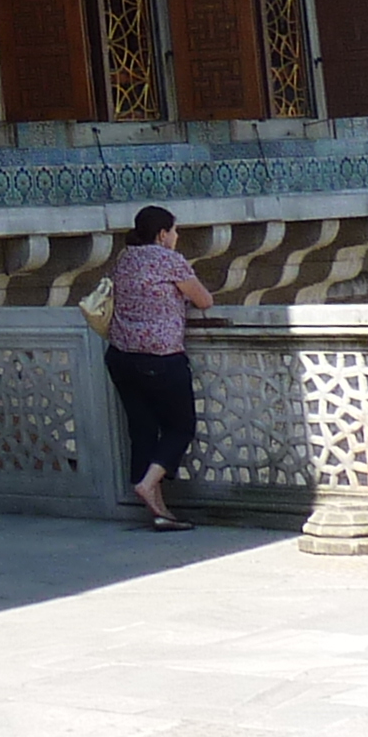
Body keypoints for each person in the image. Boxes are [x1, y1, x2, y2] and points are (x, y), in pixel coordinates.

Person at [102, 204, 216, 530]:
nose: (177, 237)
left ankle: (159, 511)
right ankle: (148, 484)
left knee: (142, 430)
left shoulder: (124, 258)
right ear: (162, 234)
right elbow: (204, 300)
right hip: (160, 359)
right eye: (174, 231)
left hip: (121, 356)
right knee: (181, 427)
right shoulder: (168, 260)